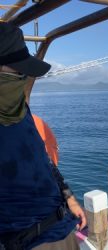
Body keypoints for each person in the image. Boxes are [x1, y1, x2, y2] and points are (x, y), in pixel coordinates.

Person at [0, 22, 86, 250]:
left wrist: (68, 197)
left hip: (62, 227)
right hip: (29, 241)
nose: (23, 77)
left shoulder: (19, 107)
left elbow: (43, 160)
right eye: (18, 70)